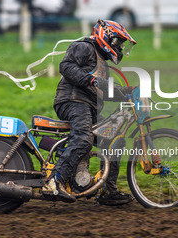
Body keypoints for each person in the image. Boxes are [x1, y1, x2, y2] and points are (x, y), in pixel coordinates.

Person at [43, 19, 137, 205]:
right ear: (105, 36)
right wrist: (90, 80)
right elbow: (66, 67)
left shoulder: (102, 62)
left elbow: (104, 90)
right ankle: (53, 181)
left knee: (114, 139)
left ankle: (107, 190)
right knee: (83, 138)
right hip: (72, 100)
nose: (118, 47)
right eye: (117, 42)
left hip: (88, 106)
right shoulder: (83, 47)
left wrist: (128, 93)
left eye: (121, 44)